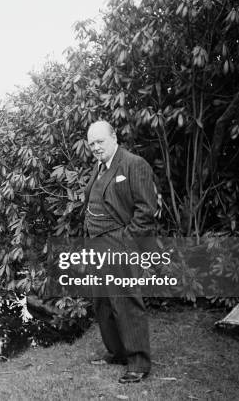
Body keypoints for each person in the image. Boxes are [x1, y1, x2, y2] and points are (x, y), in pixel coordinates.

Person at [82, 120, 157, 384]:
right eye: (91, 144)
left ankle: (138, 363)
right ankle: (117, 352)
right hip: (96, 245)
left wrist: (126, 243)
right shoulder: (99, 167)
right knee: (102, 301)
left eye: (100, 141)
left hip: (118, 245)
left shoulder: (133, 164)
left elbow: (147, 211)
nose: (96, 147)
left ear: (114, 137)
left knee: (125, 300)